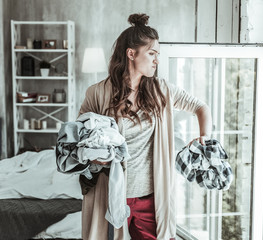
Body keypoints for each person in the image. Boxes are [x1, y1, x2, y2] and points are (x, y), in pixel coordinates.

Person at [78, 13, 212, 240]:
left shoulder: (162, 90)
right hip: (110, 194)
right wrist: (93, 156)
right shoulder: (97, 93)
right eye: (152, 54)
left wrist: (204, 137)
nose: (156, 60)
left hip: (150, 197)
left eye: (157, 54)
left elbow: (201, 107)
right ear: (131, 54)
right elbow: (79, 139)